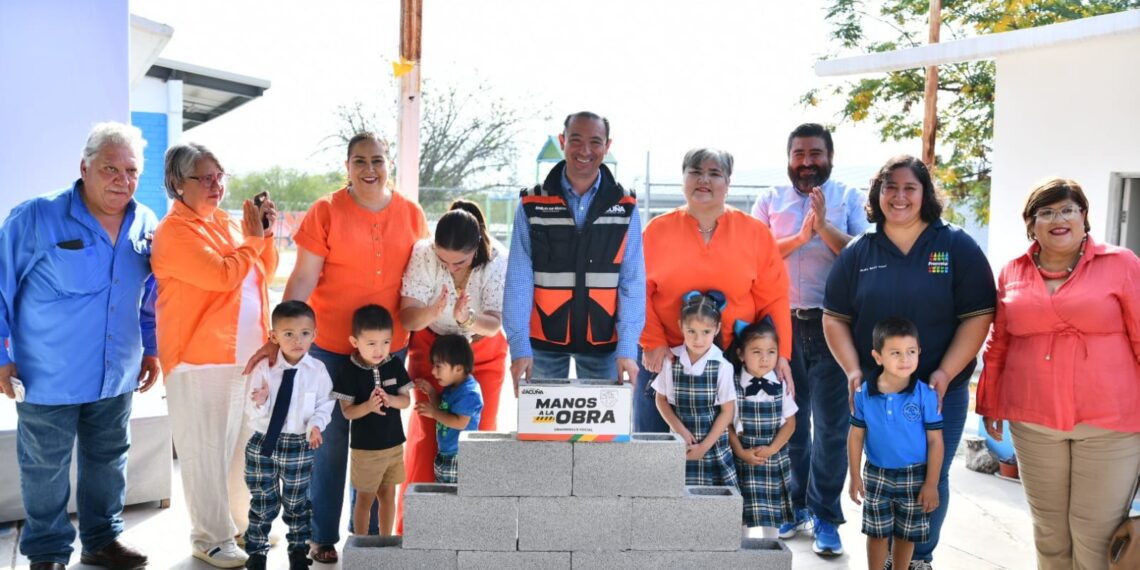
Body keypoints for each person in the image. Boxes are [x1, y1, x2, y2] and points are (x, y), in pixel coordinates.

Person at [245, 132, 427, 563]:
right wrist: (281, 337)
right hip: (328, 348)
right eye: (359, 161)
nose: (369, 169)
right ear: (346, 166)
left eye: (378, 160)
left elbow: (419, 280)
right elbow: (303, 279)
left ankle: (369, 537)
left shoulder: (411, 214)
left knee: (378, 442)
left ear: (390, 165)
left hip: (388, 349)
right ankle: (321, 536)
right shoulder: (326, 211)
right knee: (325, 442)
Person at [823, 155, 995, 568]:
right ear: (877, 194)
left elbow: (979, 315)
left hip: (939, 392)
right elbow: (835, 317)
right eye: (890, 187)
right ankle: (885, 560)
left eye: (910, 188)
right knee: (885, 472)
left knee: (931, 475)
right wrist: (852, 370)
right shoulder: (858, 251)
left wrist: (945, 371)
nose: (899, 197)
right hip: (878, 396)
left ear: (925, 194)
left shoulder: (955, 245)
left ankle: (920, 557)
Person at [0, 122, 157, 570]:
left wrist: (152, 348)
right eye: (110, 168)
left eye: (130, 171)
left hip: (117, 373)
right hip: (48, 374)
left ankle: (102, 541)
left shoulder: (145, 220)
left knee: (108, 460)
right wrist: (0, 357)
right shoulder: (35, 217)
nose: (121, 180)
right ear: (84, 168)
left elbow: (152, 295)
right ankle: (47, 553)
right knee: (44, 469)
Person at [977, 178, 1140, 570]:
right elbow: (999, 341)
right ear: (1031, 224)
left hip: (1110, 423)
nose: (1058, 219)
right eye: (1046, 212)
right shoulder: (1012, 271)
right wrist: (989, 401)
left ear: (1084, 217)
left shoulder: (1121, 264)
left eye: (1068, 209)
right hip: (1033, 420)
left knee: (1095, 534)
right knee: (1049, 532)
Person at [152, 142, 278, 568]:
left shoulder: (227, 223)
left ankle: (240, 525)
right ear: (177, 184)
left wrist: (264, 235)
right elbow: (223, 276)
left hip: (246, 356)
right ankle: (209, 537)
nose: (216, 185)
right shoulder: (174, 232)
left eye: (220, 175)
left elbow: (265, 270)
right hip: (197, 360)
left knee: (245, 448)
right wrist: (253, 241)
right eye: (204, 178)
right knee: (205, 452)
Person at [751, 123, 868, 554]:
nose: (806, 162)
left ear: (829, 156)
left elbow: (861, 253)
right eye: (799, 154)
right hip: (782, 326)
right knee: (792, 423)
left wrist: (824, 228)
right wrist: (800, 237)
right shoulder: (769, 200)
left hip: (833, 325)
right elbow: (757, 254)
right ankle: (793, 506)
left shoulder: (848, 198)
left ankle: (825, 515)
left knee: (833, 429)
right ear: (788, 158)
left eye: (815, 153)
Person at [638, 147, 792, 434]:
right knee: (655, 447)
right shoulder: (656, 231)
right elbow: (636, 291)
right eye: (695, 172)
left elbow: (774, 298)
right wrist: (652, 341)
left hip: (732, 358)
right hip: (666, 354)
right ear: (683, 178)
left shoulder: (755, 233)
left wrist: (779, 354)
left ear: (728, 181)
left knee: (726, 446)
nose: (703, 180)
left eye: (714, 173)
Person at [502, 111, 644, 389]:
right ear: (562, 141)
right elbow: (519, 280)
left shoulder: (625, 204)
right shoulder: (531, 202)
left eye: (595, 141)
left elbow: (632, 280)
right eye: (576, 140)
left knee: (602, 433)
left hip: (605, 345)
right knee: (542, 432)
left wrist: (627, 346)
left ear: (607, 146)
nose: (585, 150)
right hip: (541, 344)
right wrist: (519, 346)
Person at [395, 200, 506, 531]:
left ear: (477, 248)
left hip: (481, 352)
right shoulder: (423, 252)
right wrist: (432, 312)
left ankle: (473, 532)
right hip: (434, 347)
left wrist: (467, 318)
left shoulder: (497, 258)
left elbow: (494, 322)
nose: (450, 267)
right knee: (428, 436)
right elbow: (407, 316)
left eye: (459, 261)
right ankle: (414, 530)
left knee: (477, 438)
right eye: (443, 260)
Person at [243, 301, 334, 570]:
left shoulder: (317, 371)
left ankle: (298, 551)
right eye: (289, 334)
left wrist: (316, 425)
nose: (298, 340)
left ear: (315, 335)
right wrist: (261, 400)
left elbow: (325, 404)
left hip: (299, 444)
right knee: (263, 501)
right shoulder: (264, 367)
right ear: (274, 336)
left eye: (305, 333)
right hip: (263, 443)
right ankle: (257, 553)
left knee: (297, 502)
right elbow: (250, 408)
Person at [848, 317, 943, 570]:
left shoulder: (926, 394)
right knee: (876, 533)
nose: (905, 359)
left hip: (915, 474)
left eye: (911, 352)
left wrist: (931, 483)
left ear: (919, 352)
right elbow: (856, 435)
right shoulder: (864, 393)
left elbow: (935, 441)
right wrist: (855, 476)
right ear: (877, 357)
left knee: (906, 534)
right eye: (895, 353)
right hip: (877, 473)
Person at [331, 305, 412, 537]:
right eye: (372, 343)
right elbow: (347, 412)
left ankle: (386, 542)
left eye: (386, 342)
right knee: (364, 498)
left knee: (388, 495)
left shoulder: (394, 364)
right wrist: (368, 406)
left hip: (394, 445)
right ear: (354, 342)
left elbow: (406, 401)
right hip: (365, 449)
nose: (380, 350)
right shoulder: (349, 370)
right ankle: (361, 543)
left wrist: (391, 400)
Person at [652, 292, 738, 487]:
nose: (698, 339)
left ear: (717, 329)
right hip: (679, 443)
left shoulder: (723, 366)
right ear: (681, 326)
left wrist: (704, 447)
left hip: (713, 446)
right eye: (691, 331)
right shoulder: (671, 360)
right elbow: (661, 400)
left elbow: (727, 411)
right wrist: (679, 430)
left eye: (706, 332)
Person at [726, 320, 797, 540]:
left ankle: (771, 554)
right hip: (742, 460)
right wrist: (740, 452)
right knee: (741, 516)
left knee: (771, 516)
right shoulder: (733, 385)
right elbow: (727, 423)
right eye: (756, 352)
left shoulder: (780, 384)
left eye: (771, 352)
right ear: (741, 354)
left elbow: (790, 422)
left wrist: (773, 448)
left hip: (772, 460)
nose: (764, 358)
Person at [412, 334, 484, 484]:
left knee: (454, 503)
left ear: (458, 368)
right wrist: (431, 392)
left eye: (438, 366)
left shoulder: (469, 392)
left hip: (460, 457)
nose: (433, 372)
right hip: (445, 454)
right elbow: (443, 408)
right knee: (443, 500)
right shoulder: (452, 386)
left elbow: (460, 422)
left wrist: (433, 413)